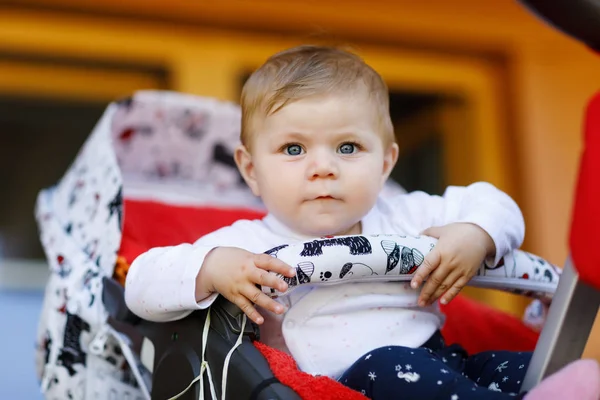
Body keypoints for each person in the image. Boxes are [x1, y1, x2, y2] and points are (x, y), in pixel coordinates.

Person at [124, 45, 594, 399]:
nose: (323, 167)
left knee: (533, 369)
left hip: (442, 363)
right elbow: (141, 283)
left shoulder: (406, 216)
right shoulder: (247, 244)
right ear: (251, 169)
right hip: (355, 383)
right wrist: (211, 268)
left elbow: (497, 203)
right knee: (391, 365)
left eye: (348, 148)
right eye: (293, 149)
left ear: (385, 163)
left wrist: (476, 235)